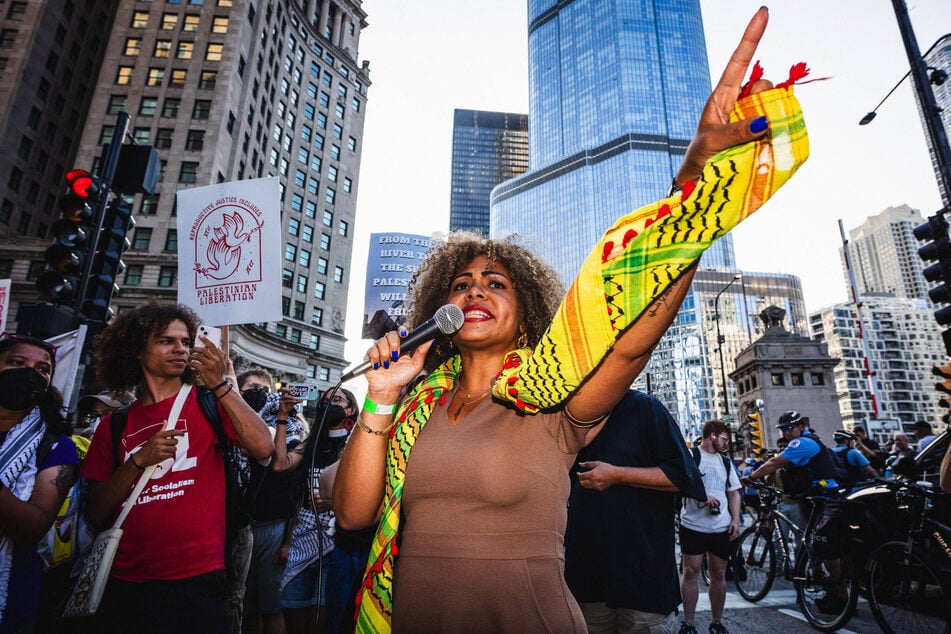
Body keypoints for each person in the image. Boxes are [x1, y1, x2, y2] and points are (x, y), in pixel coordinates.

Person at [336, 7, 810, 631]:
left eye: (495, 283)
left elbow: (633, 338)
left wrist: (694, 180)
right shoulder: (413, 404)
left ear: (528, 314)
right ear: (440, 312)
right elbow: (351, 515)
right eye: (462, 283)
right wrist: (379, 400)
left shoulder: (552, 397)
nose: (475, 289)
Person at [81, 302, 274, 633]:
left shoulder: (208, 402)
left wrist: (221, 385)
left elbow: (264, 449)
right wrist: (138, 462)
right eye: (165, 340)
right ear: (136, 351)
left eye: (186, 341)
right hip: (125, 579)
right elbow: (95, 512)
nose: (180, 349)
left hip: (197, 579)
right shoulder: (114, 425)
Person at [564, 390, 705, 634]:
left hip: (643, 581)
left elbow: (684, 477)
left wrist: (617, 475)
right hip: (586, 581)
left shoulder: (645, 408)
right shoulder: (567, 413)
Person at [0, 333, 78, 632]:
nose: (31, 372)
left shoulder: (57, 446)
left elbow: (32, 528)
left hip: (12, 600)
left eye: (43, 369)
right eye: (17, 362)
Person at [272, 388, 358, 634]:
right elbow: (279, 463)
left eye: (338, 400)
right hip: (302, 543)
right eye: (325, 400)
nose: (329, 403)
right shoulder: (311, 444)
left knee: (324, 618)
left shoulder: (356, 446)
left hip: (337, 546)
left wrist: (334, 502)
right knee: (294, 610)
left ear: (351, 410)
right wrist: (282, 417)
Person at [239, 369, 305, 634]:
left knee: (270, 605)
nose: (260, 395)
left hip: (272, 524)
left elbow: (279, 463)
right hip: (239, 524)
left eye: (265, 391)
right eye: (252, 389)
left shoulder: (292, 428)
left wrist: (281, 417)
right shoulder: (228, 419)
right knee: (247, 604)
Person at [677, 420, 741, 634]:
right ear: (713, 435)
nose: (726, 443)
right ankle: (689, 623)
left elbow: (734, 492)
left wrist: (735, 520)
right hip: (693, 525)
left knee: (719, 574)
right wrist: (702, 497)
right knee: (690, 572)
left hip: (720, 527)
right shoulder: (691, 456)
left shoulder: (725, 462)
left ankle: (716, 622)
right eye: (724, 439)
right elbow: (679, 485)